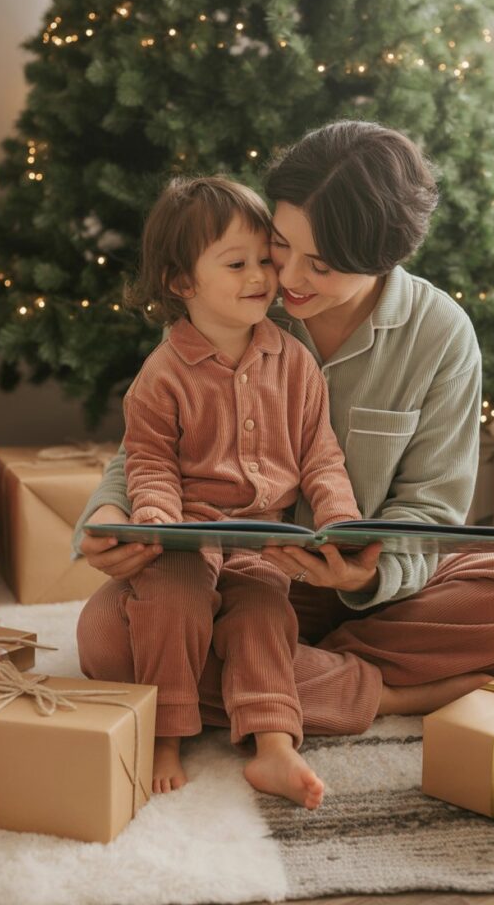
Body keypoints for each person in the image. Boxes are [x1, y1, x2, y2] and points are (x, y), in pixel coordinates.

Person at [75, 120, 494, 799]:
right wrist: (111, 513)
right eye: (280, 245)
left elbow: (431, 510)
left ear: (382, 257)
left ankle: (268, 674)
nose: (285, 278)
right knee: (103, 642)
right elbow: (150, 446)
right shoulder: (240, 292)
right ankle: (377, 693)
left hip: (374, 598)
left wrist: (365, 570)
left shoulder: (439, 335)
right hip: (227, 572)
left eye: (318, 266)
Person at [118, 175, 363, 808]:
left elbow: (321, 457)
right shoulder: (163, 375)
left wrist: (340, 517)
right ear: (182, 283)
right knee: (170, 604)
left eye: (264, 259)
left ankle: (274, 746)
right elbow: (148, 461)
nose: (261, 275)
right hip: (185, 539)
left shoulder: (296, 362)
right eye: (237, 263)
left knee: (262, 615)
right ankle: (165, 735)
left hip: (262, 544)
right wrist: (155, 518)